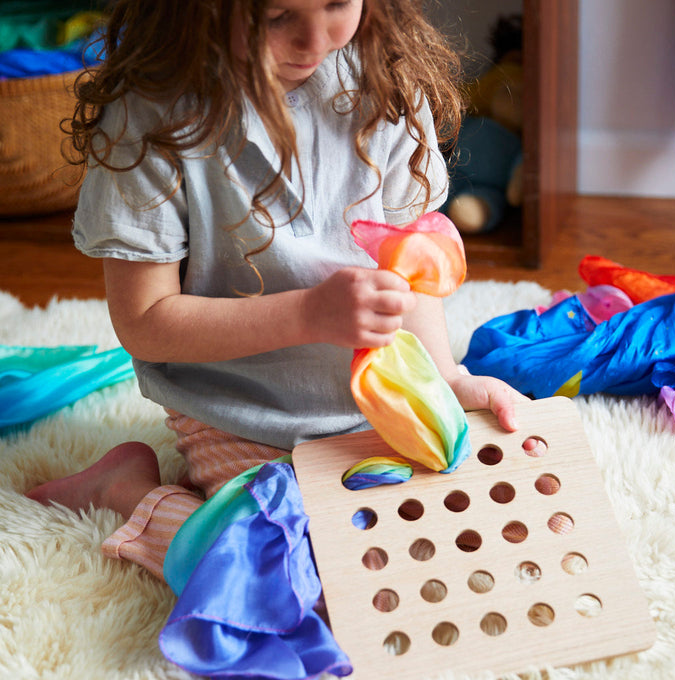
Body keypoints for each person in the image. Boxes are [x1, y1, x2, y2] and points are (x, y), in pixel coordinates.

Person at [27, 0, 528, 583]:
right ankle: (126, 490)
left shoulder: (389, 78)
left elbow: (409, 270)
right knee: (300, 583)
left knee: (481, 540)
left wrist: (445, 377)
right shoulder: (150, 115)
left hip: (373, 402)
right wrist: (309, 315)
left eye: (337, 4)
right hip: (239, 411)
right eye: (275, 17)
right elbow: (145, 321)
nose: (315, 40)